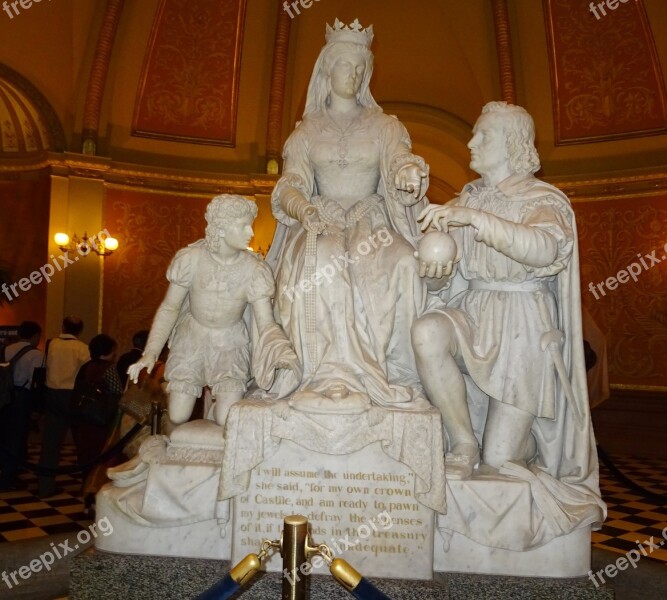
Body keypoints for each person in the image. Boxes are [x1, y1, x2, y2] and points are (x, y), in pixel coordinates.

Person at [412, 101, 601, 508]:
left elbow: (544, 247)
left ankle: (530, 441)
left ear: (512, 143)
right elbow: (448, 279)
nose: (471, 142)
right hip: (474, 310)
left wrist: (475, 220)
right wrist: (435, 272)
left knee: (500, 460)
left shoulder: (541, 199)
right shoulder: (470, 197)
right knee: (427, 331)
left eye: (484, 135)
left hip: (522, 324)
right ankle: (463, 442)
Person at [267, 18, 433, 410]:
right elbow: (290, 184)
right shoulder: (305, 132)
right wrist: (303, 207)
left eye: (361, 67)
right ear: (327, 66)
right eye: (345, 64)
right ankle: (326, 374)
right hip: (319, 219)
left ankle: (396, 371)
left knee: (406, 261)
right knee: (323, 261)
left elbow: (398, 162)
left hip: (371, 221)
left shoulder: (385, 125)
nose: (354, 74)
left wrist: (408, 173)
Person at [128, 194, 299, 426]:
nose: (251, 233)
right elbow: (170, 307)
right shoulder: (191, 259)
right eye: (243, 226)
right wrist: (151, 352)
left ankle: (217, 409)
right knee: (178, 414)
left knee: (226, 418)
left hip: (230, 343)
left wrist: (280, 350)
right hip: (192, 339)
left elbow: (265, 322)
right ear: (221, 229)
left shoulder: (255, 269)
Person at [38, 315, 90, 498]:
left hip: (52, 393)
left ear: (63, 326)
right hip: (72, 395)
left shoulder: (52, 344)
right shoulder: (83, 348)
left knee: (50, 442)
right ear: (80, 330)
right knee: (82, 441)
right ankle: (87, 484)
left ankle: (45, 485)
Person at [71, 333, 123, 502]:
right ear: (109, 350)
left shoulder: (85, 367)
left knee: (85, 455)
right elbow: (117, 394)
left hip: (83, 418)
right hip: (103, 419)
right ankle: (97, 495)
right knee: (101, 458)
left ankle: (87, 491)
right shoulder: (109, 368)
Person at [0, 321, 43, 490]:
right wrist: (37, 408)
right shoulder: (36, 355)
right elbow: (36, 382)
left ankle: (5, 471)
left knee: (4, 435)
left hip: (4, 396)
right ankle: (9, 478)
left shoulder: (6, 349)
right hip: (22, 397)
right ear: (35, 336)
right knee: (17, 437)